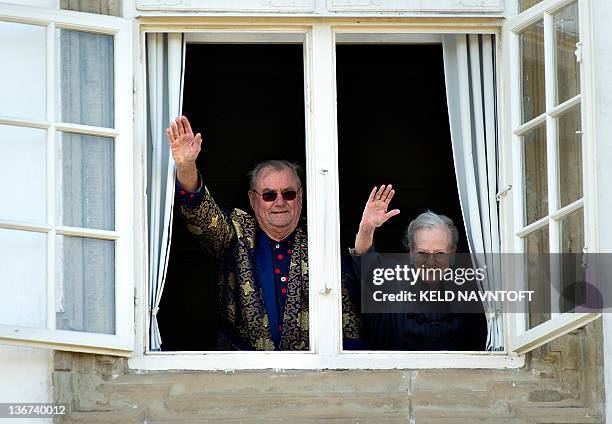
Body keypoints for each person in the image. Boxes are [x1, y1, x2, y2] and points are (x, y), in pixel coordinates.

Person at [166, 116, 361, 350]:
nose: (279, 202)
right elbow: (202, 217)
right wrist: (186, 166)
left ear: (300, 197)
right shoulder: (237, 232)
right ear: (252, 199)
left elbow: (352, 310)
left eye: (288, 193)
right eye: (269, 195)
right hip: (242, 372)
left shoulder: (322, 239)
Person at [351, 185, 486, 350]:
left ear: (452, 253)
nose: (431, 262)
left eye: (440, 253)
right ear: (411, 252)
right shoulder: (391, 281)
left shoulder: (470, 290)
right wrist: (366, 228)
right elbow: (365, 258)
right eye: (422, 253)